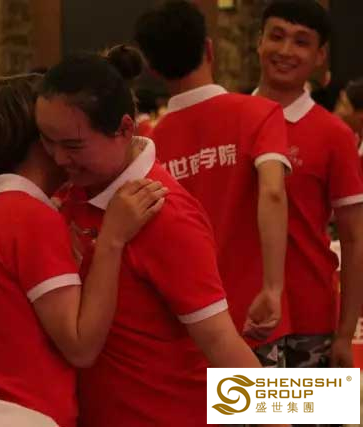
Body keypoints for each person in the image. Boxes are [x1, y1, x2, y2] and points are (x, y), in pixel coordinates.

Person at [35, 53, 262, 427]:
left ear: (124, 129)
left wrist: (281, 417)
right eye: (48, 141)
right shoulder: (73, 192)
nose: (59, 158)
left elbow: (220, 342)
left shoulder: (164, 214)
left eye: (73, 146)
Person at [0, 73, 164, 427]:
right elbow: (81, 346)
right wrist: (112, 240)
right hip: (50, 413)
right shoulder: (35, 215)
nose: (65, 155)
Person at [134, 0, 291, 364]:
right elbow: (272, 192)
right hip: (253, 319)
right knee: (301, 399)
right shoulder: (259, 113)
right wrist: (273, 287)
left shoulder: (149, 144)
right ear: (209, 48)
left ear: (153, 69)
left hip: (186, 329)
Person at [255, 0, 363, 368]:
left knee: (312, 407)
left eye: (301, 42)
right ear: (259, 42)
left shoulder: (335, 134)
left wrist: (345, 333)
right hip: (236, 320)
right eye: (277, 36)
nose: (286, 50)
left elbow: (354, 238)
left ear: (320, 56)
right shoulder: (229, 121)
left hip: (312, 323)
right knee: (240, 405)